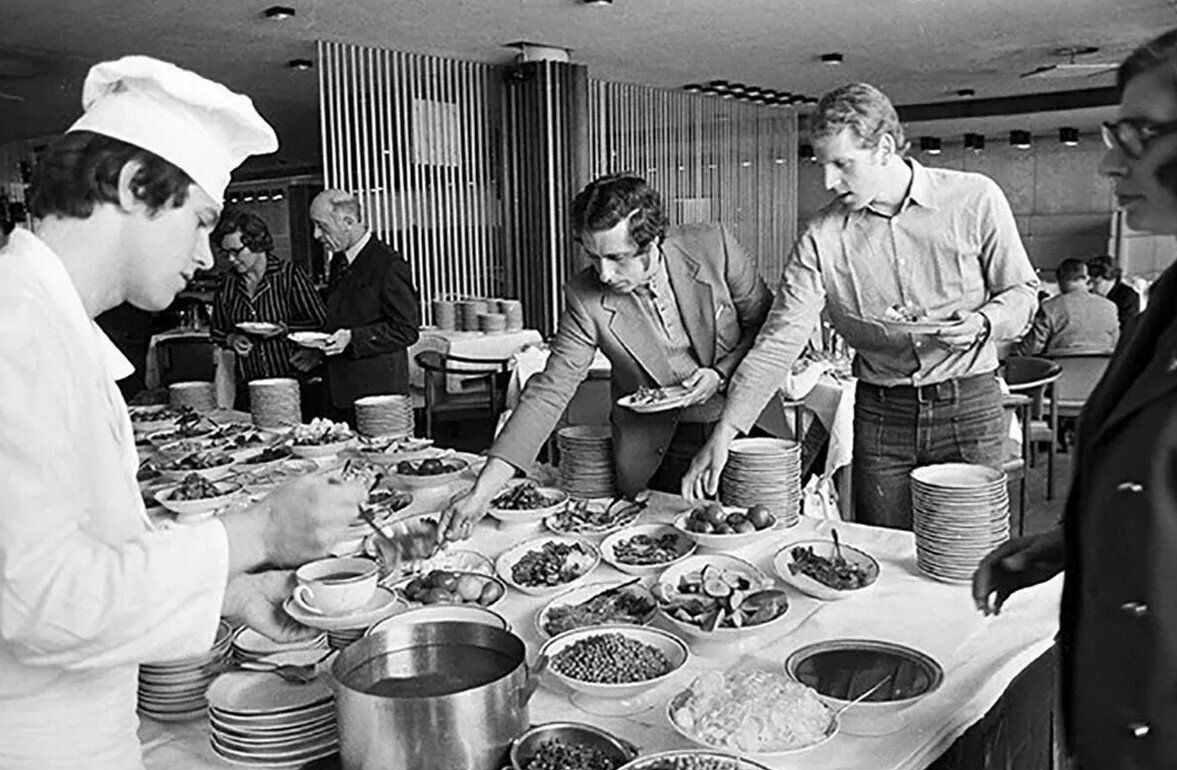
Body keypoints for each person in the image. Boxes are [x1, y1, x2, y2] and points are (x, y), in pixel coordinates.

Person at [0, 56, 368, 770]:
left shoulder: (47, 323)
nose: (204, 257)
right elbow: (37, 600)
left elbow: (92, 551)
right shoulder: (16, 330)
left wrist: (231, 595)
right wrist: (258, 532)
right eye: (199, 221)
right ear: (134, 185)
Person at [683, 83, 1039, 530]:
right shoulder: (822, 236)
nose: (828, 182)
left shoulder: (975, 199)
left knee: (967, 550)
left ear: (885, 148)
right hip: (880, 413)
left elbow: (1023, 293)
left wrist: (985, 322)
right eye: (822, 165)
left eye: (842, 164)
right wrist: (725, 432)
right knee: (882, 550)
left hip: (968, 402)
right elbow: (779, 341)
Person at [974, 27, 1177, 770]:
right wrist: (1069, 543)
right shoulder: (1165, 299)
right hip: (1114, 718)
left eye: (1139, 134)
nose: (1109, 162)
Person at [438, 173, 772, 537]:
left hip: (748, 425)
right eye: (594, 257)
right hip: (662, 445)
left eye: (617, 258)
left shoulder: (715, 247)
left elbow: (768, 329)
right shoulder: (585, 297)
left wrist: (720, 374)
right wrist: (482, 492)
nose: (605, 274)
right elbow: (549, 391)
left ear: (653, 242)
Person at [309, 189, 420, 424]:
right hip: (339, 393)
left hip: (377, 398)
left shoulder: (388, 265)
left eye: (322, 226)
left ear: (348, 222)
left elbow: (406, 330)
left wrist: (353, 338)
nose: (316, 235)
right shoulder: (340, 260)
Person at [209, 211, 327, 410]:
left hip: (295, 387)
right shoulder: (227, 285)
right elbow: (217, 331)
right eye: (225, 253)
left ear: (257, 244)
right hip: (250, 390)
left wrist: (285, 329)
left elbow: (320, 322)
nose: (231, 259)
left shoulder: (289, 276)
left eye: (236, 251)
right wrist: (232, 339)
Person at [1009, 258, 1119, 356]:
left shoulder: (1049, 307)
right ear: (1086, 279)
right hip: (1101, 370)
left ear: (1059, 280)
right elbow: (1116, 344)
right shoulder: (1110, 307)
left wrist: (1009, 349)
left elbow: (1032, 349)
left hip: (1059, 369)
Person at [1087, 253, 1141, 330]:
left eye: (1096, 283)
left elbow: (1128, 328)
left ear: (1111, 279)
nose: (1091, 287)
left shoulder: (1128, 297)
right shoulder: (1089, 294)